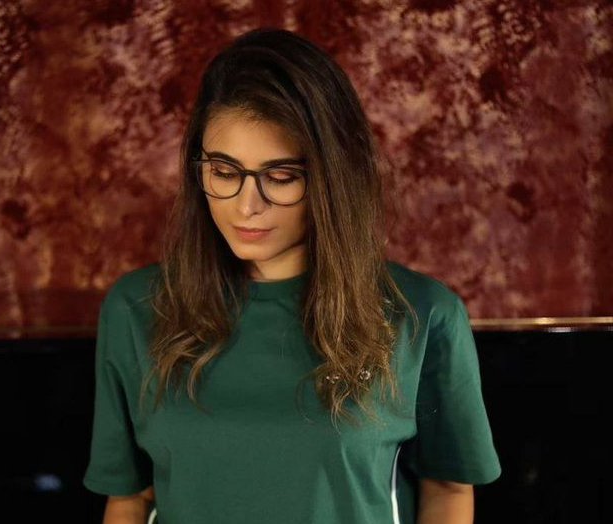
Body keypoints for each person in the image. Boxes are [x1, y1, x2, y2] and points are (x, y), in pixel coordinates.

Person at [84, 28, 500, 524]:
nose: (247, 205)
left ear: (333, 175)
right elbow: (129, 499)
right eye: (224, 171)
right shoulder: (136, 309)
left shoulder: (421, 314)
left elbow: (449, 488)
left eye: (280, 177)